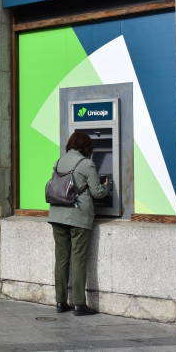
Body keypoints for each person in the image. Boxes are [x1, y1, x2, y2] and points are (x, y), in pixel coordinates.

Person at [48, 131, 108, 317]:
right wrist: (106, 186)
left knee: (61, 259)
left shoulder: (59, 162)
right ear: (87, 147)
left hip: (57, 215)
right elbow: (97, 193)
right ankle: (80, 304)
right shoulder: (87, 164)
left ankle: (60, 302)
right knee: (78, 259)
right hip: (77, 217)